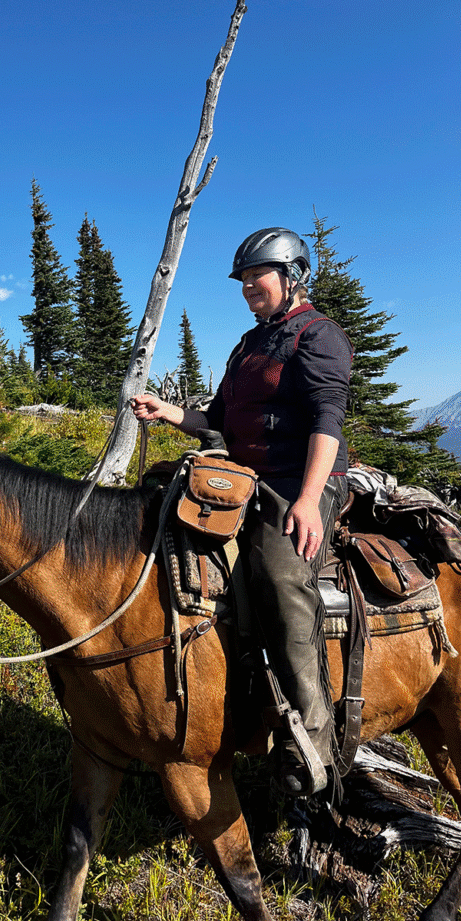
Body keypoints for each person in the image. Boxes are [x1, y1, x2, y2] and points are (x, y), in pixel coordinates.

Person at [131, 227, 353, 796]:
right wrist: (168, 412)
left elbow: (328, 419)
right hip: (246, 476)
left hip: (301, 479)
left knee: (280, 575)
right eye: (244, 279)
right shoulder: (250, 345)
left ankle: (314, 744)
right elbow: (219, 420)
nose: (249, 286)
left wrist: (307, 501)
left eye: (259, 275)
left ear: (293, 276)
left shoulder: (319, 335)